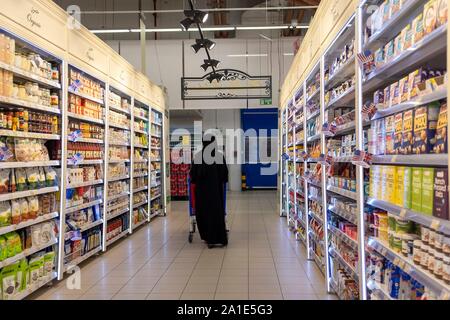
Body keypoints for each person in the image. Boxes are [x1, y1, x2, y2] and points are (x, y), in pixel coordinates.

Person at [190, 135, 228, 248]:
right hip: (216, 192)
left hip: (202, 193)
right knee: (217, 213)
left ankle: (207, 238)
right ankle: (219, 238)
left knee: (203, 214)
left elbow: (193, 177)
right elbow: (224, 175)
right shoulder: (219, 156)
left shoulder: (197, 157)